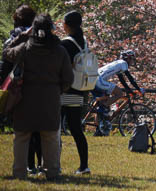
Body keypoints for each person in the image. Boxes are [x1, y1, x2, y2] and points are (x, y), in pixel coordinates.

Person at [2, 13, 73, 180]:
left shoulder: (25, 48)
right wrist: (57, 90)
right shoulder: (60, 51)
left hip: (25, 99)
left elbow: (6, 53)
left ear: (33, 30)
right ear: (52, 30)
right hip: (50, 98)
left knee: (22, 136)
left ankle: (19, 173)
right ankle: (52, 172)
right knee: (50, 137)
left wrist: (21, 36)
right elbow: (69, 79)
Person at [1, 4, 43, 173]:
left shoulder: (14, 38)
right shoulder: (42, 37)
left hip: (19, 87)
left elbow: (6, 62)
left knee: (24, 129)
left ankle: (28, 165)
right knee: (39, 129)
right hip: (40, 86)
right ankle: (41, 165)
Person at [59, 10, 90, 174]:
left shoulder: (66, 44)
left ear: (66, 25)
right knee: (76, 127)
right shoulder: (83, 42)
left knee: (55, 128)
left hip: (65, 90)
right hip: (79, 89)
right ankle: (84, 165)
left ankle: (53, 163)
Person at [92, 49, 144, 134]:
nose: (132, 61)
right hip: (99, 81)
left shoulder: (118, 64)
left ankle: (99, 129)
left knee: (101, 104)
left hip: (94, 79)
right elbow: (130, 79)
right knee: (119, 93)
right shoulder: (123, 64)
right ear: (128, 58)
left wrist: (130, 91)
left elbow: (122, 81)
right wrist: (138, 89)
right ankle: (104, 108)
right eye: (132, 59)